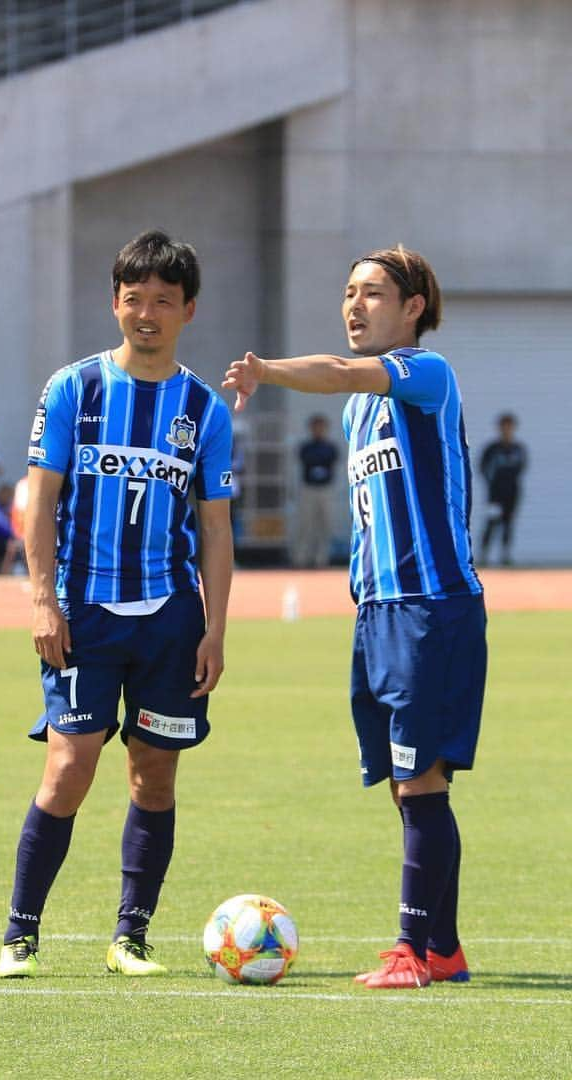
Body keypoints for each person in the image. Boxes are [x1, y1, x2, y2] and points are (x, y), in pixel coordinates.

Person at [223, 244, 486, 990]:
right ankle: (443, 948)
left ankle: (411, 950)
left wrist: (267, 370)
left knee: (422, 779)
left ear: (413, 308)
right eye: (348, 291)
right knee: (409, 785)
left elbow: (337, 370)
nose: (354, 304)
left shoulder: (425, 375)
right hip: (377, 615)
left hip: (431, 609)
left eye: (373, 292)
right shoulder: (358, 407)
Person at [0, 230, 234, 980]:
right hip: (83, 612)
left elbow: (217, 530)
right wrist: (41, 601)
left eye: (164, 301)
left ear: (188, 310)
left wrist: (215, 631)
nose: (147, 314)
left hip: (169, 620)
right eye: (135, 300)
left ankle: (131, 936)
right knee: (69, 767)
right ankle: (19, 935)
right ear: (115, 303)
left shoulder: (204, 408)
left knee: (154, 774)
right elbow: (39, 500)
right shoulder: (74, 389)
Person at [479, 413, 527, 566]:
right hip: (495, 494)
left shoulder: (518, 449)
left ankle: (505, 556)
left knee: (508, 523)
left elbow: (521, 468)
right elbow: (483, 468)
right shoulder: (492, 449)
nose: (507, 430)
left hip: (512, 494)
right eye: (504, 426)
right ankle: (483, 556)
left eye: (509, 427)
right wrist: (491, 485)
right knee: (491, 523)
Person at [293, 414, 339, 568]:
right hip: (309, 489)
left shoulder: (330, 447)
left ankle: (322, 559)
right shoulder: (305, 447)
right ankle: (301, 558)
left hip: (325, 489)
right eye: (315, 427)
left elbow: (330, 461)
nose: (318, 430)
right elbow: (307, 460)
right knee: (305, 524)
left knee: (325, 524)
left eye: (321, 427)